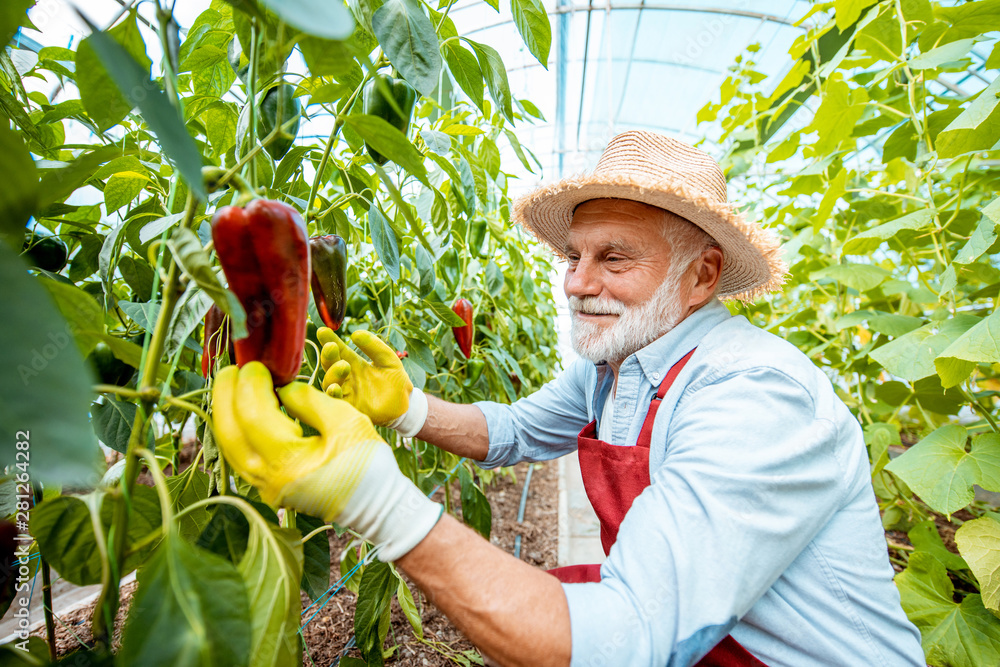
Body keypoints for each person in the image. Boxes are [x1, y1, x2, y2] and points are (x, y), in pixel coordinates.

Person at [212, 131, 925, 666]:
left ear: (703, 275)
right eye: (573, 256)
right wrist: (404, 407)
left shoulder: (756, 396)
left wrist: (373, 498)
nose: (578, 283)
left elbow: (627, 636)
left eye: (614, 257)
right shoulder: (618, 362)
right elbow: (513, 430)